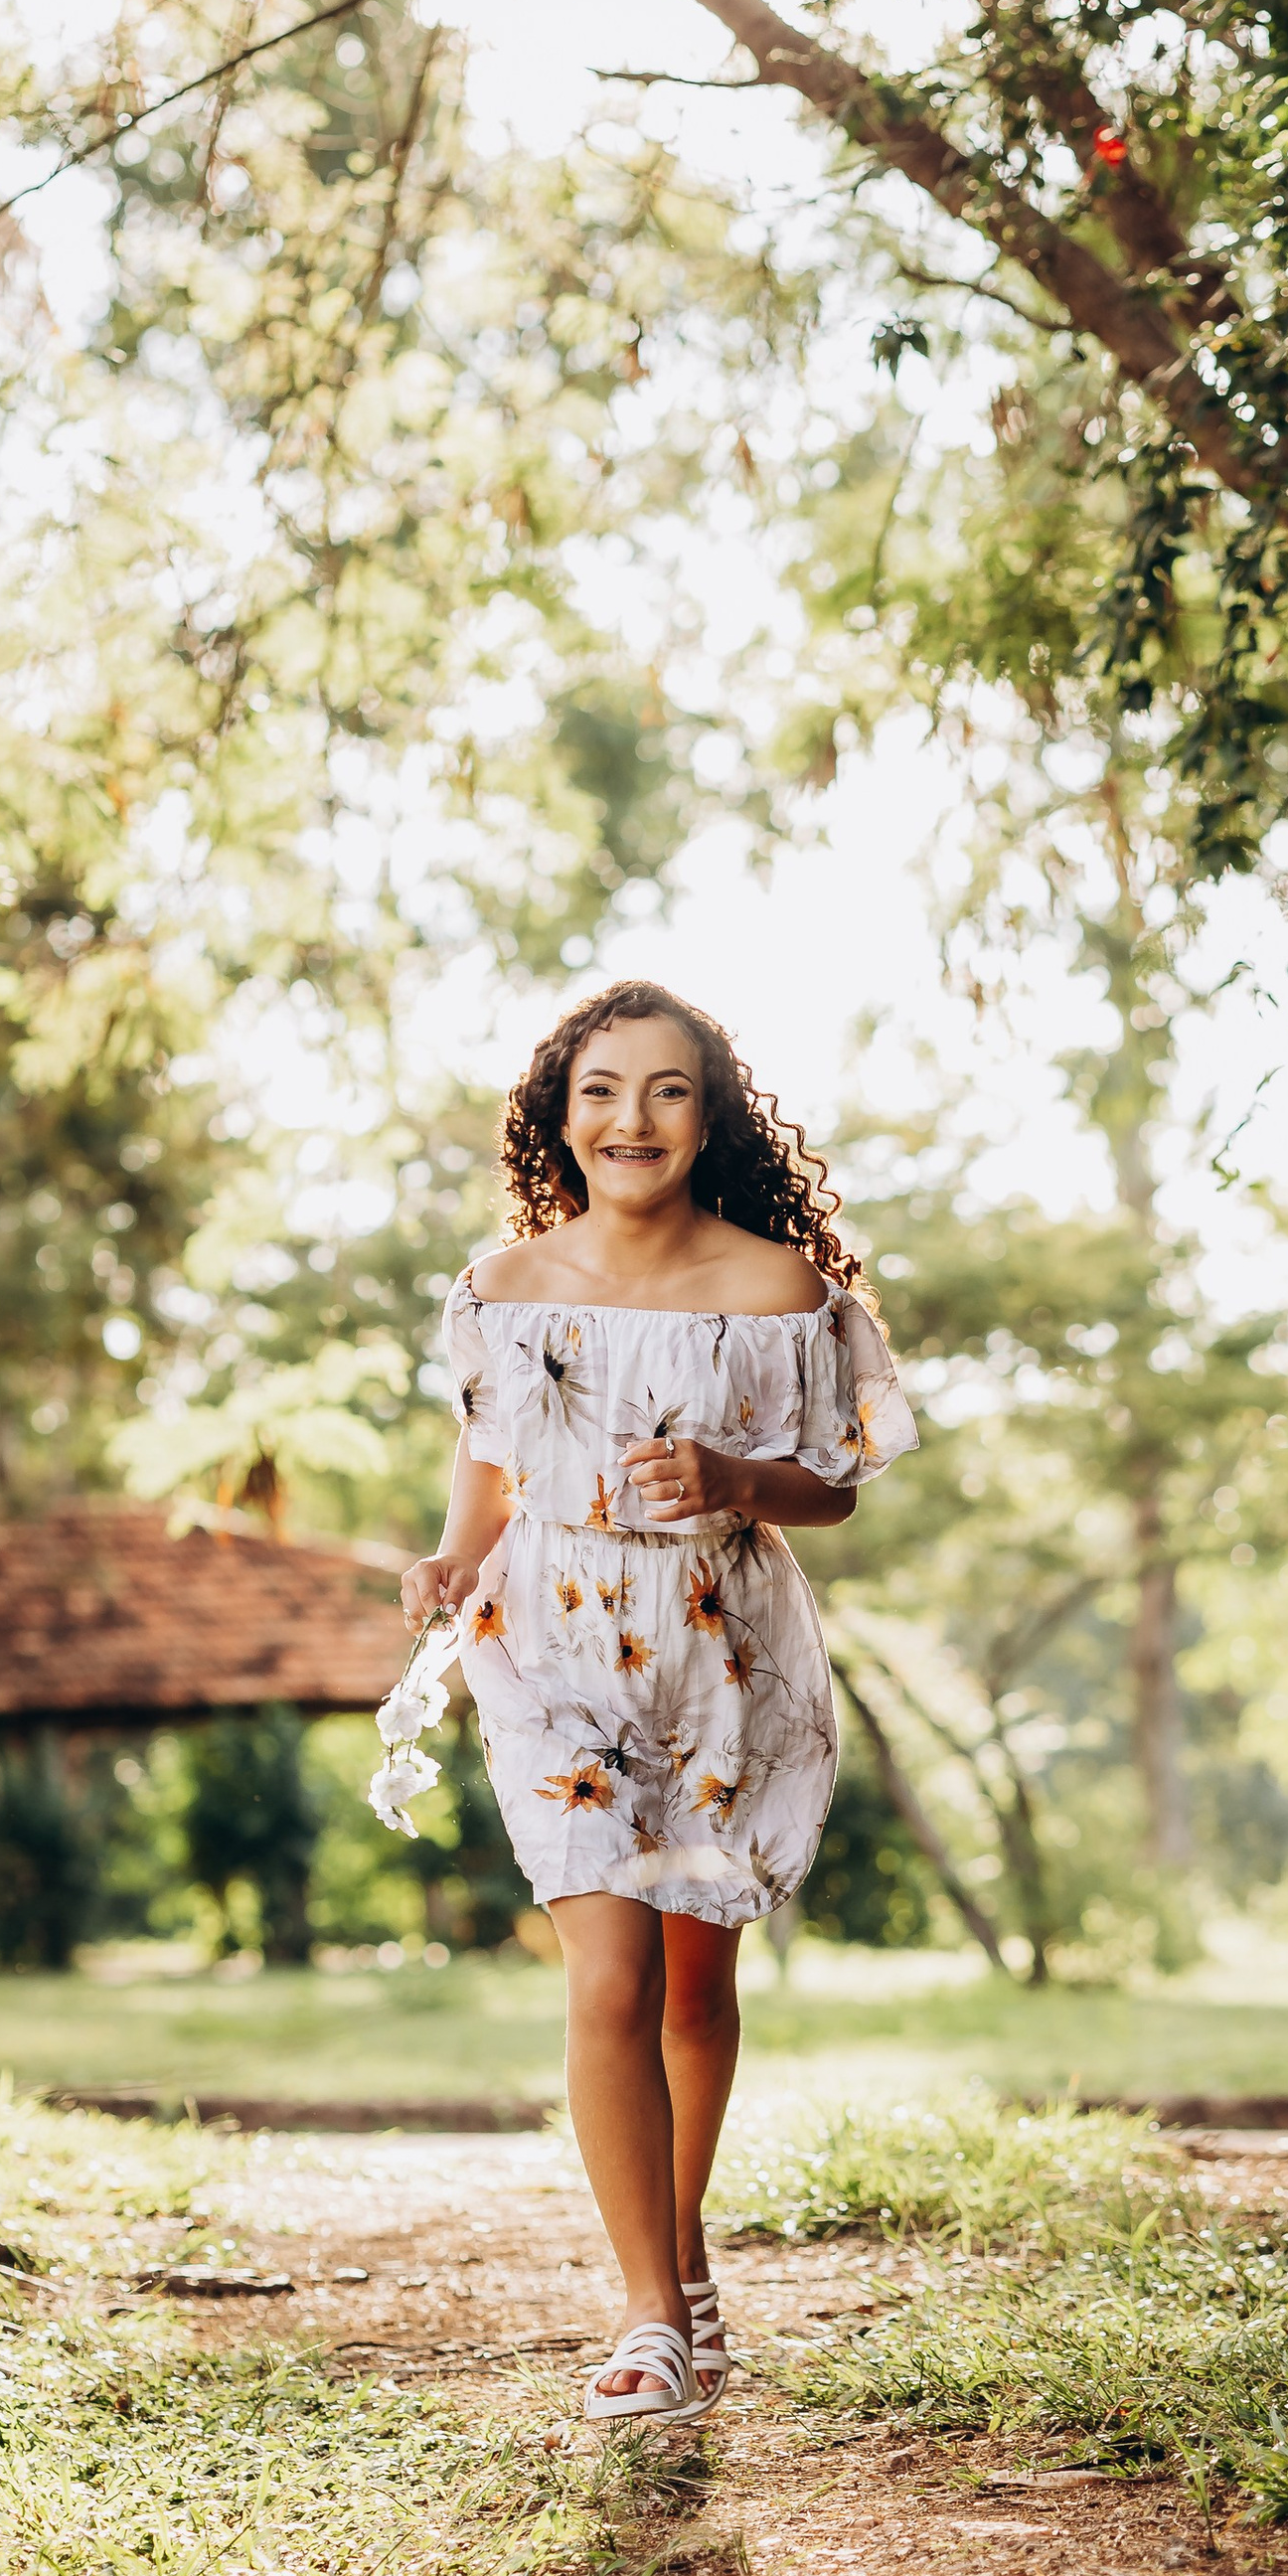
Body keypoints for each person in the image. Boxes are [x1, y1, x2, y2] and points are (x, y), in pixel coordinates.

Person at [399, 980, 916, 2429]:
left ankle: (680, 2260)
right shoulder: (500, 1287)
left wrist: (741, 1481)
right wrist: (453, 1559)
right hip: (547, 1641)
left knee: (696, 1982)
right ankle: (647, 2319)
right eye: (603, 1089)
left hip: (719, 1645)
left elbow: (838, 1483)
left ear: (712, 1116)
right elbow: (493, 1459)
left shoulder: (783, 1291)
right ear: (560, 1117)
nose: (633, 1118)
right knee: (609, 1976)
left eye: (669, 1089)